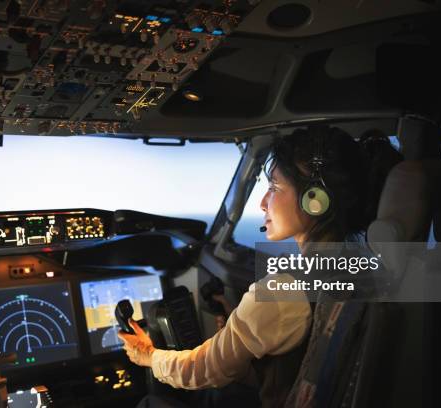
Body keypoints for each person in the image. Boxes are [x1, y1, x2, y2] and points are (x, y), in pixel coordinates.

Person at [118, 126, 402, 407]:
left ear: (315, 201)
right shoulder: (365, 268)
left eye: (274, 188)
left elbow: (202, 369)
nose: (263, 202)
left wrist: (149, 356)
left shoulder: (283, 291)